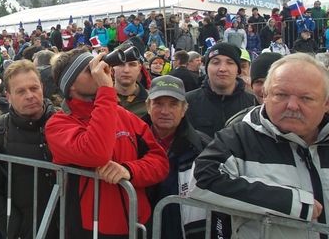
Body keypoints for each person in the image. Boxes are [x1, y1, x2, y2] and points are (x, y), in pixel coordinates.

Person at [190, 53, 329, 238]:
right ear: (265, 94)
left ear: (326, 103)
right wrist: (291, 203)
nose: (293, 106)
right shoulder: (239, 136)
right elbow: (201, 181)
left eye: (306, 98)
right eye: (281, 95)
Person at [45, 48, 169, 237]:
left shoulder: (121, 114)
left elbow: (160, 162)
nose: (101, 71)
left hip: (137, 224)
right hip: (89, 229)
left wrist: (129, 170)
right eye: (89, 70)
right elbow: (97, 153)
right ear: (71, 86)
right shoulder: (58, 124)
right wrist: (106, 91)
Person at [0, 60, 60, 239]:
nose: (29, 96)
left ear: (42, 88)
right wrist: (18, 231)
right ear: (8, 96)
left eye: (34, 88)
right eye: (21, 91)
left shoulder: (64, 123)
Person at [143, 76, 212, 239]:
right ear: (148, 106)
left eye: (173, 104)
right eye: (158, 103)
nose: (165, 111)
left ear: (184, 109)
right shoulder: (132, 140)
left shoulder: (202, 147)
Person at [185, 42, 254, 138]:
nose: (222, 69)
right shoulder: (187, 103)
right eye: (216, 62)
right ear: (207, 68)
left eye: (230, 63)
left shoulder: (253, 104)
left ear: (237, 70)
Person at [112, 43, 149, 118]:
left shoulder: (151, 100)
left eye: (132, 65)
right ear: (111, 67)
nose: (126, 70)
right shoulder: (98, 98)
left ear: (139, 69)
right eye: (121, 64)